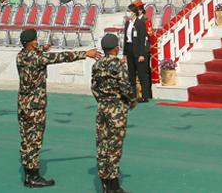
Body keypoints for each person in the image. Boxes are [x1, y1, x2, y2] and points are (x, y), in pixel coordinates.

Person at [16, 29, 101, 187]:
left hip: (23, 103)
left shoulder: (21, 56)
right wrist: (85, 54)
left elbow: (33, 54)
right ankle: (33, 177)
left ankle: (28, 175)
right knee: (34, 141)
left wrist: (42, 49)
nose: (37, 41)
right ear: (31, 42)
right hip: (35, 105)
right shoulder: (36, 59)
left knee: (26, 140)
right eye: (36, 40)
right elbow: (61, 57)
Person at [93, 33, 136, 193]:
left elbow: (94, 88)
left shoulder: (97, 65)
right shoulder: (118, 65)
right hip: (116, 109)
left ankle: (104, 184)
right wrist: (132, 100)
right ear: (116, 48)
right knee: (114, 147)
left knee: (102, 145)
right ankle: (114, 186)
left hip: (102, 107)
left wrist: (103, 100)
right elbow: (125, 87)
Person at [123, 1, 151, 102]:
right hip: (130, 48)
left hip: (138, 49)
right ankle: (133, 96)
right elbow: (125, 39)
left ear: (134, 12)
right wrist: (125, 54)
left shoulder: (140, 24)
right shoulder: (127, 24)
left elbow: (142, 40)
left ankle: (145, 96)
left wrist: (141, 54)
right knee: (131, 75)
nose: (127, 13)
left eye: (129, 11)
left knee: (142, 74)